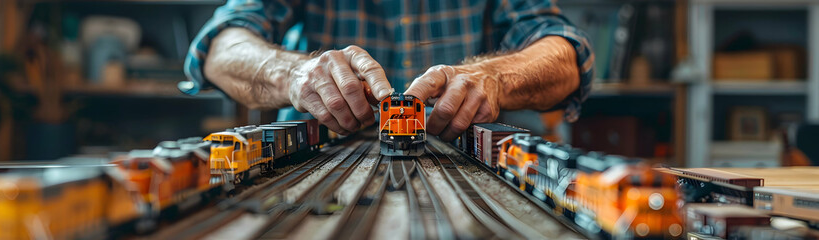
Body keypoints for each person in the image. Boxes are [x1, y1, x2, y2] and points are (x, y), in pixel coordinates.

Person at [180, 0, 593, 141]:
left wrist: (496, 77)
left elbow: (568, 53)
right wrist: (291, 73)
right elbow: (218, 48)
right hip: (322, 148)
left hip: (455, 152)